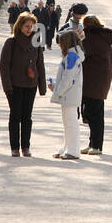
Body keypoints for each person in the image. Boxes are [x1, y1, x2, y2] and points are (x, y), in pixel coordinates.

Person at [0, 11, 46, 157]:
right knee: (15, 116)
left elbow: (40, 64)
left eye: (31, 26)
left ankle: (25, 146)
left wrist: (42, 86)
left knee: (27, 116)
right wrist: (7, 87)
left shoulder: (36, 43)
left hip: (31, 84)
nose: (29, 29)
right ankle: (15, 147)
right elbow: (4, 66)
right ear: (19, 26)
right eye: (26, 26)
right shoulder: (11, 42)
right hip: (15, 85)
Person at [80, 14, 112, 154]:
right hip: (101, 80)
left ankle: (96, 146)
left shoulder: (91, 38)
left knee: (93, 114)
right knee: (96, 113)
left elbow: (81, 54)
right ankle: (93, 143)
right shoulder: (104, 37)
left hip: (92, 81)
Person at [48, 30, 84, 160]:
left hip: (69, 94)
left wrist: (57, 91)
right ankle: (67, 147)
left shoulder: (71, 57)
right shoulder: (74, 56)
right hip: (69, 94)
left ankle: (73, 150)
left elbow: (67, 78)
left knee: (70, 123)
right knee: (68, 123)